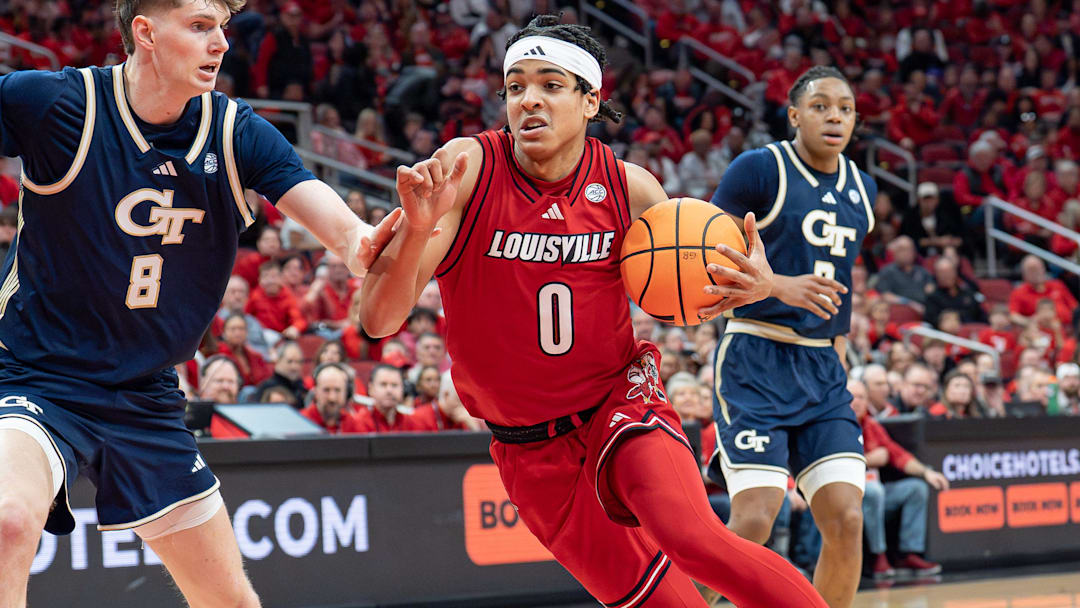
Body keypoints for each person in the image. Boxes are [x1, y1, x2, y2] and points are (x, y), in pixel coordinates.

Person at [357, 16, 827, 608]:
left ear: (590, 100)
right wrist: (420, 228)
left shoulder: (630, 188)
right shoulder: (468, 170)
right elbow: (377, 320)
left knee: (694, 539)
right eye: (516, 85)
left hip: (619, 402)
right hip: (528, 448)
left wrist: (746, 288)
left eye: (551, 85)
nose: (529, 99)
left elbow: (688, 299)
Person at [0, 1, 397, 605]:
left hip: (146, 392)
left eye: (222, 28)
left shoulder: (237, 132)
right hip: (37, 373)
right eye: (200, 26)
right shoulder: (58, 104)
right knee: (8, 519)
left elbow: (347, 237)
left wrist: (382, 239)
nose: (221, 43)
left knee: (230, 601)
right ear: (145, 32)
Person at [707, 65, 876, 608]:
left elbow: (840, 277)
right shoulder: (760, 169)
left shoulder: (863, 187)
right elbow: (702, 255)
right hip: (755, 355)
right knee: (754, 520)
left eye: (845, 108)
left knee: (848, 518)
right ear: (795, 113)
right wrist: (780, 285)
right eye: (822, 105)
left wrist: (842, 349)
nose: (835, 116)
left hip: (823, 367)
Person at [849, 379, 948, 580]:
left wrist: (926, 472)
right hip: (847, 499)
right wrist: (867, 460)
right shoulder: (834, 427)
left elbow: (897, 454)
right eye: (852, 397)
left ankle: (908, 553)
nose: (857, 402)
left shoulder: (870, 425)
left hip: (874, 496)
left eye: (861, 397)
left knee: (916, 488)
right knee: (874, 490)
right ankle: (878, 556)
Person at [299, 363, 352, 434]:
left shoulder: (353, 424)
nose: (332, 398)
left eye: (337, 390)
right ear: (315, 392)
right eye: (326, 390)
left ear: (346, 392)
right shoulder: (299, 422)